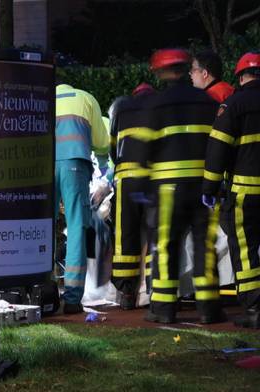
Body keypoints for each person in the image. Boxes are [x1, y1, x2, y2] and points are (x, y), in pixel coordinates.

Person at [136, 48, 222, 324]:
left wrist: (141, 185)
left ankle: (162, 308)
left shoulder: (156, 104)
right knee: (203, 246)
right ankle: (208, 308)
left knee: (166, 246)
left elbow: (142, 149)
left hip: (167, 189)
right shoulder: (206, 102)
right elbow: (217, 143)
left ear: (162, 72)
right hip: (202, 187)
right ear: (185, 69)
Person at [202, 52, 260, 328]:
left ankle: (254, 308)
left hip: (245, 191)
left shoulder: (233, 105)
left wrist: (210, 187)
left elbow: (218, 149)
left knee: (246, 249)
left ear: (240, 76)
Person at [55, 83, 110, 314]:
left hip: (41, 164)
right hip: (75, 164)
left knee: (41, 227)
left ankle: (40, 289)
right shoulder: (87, 99)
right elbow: (102, 141)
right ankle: (72, 298)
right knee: (76, 226)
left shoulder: (44, 97)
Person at [108, 82, 155, 310]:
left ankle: (127, 292)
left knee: (126, 235)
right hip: (152, 176)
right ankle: (155, 291)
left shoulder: (121, 109)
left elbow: (112, 147)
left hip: (126, 177)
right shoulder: (159, 107)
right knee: (155, 234)